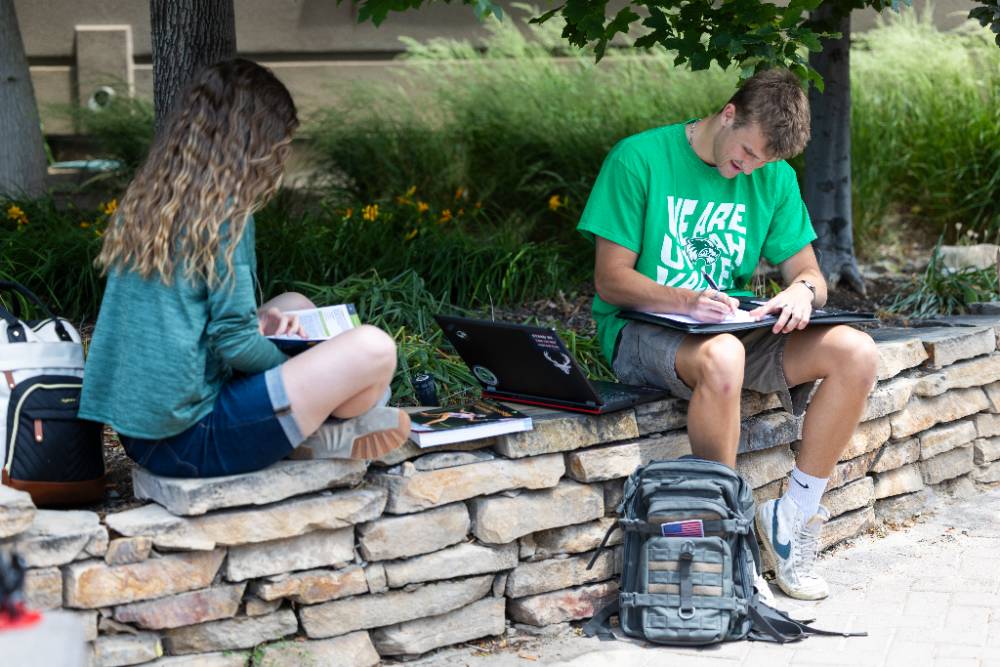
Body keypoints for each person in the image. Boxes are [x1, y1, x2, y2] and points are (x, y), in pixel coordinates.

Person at [577, 68, 878, 601]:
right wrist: (687, 300)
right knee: (723, 358)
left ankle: (793, 517)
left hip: (727, 326)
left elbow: (810, 274)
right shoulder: (639, 159)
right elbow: (611, 280)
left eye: (762, 162)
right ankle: (727, 535)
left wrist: (801, 294)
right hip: (642, 327)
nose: (747, 170)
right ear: (729, 112)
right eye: (745, 154)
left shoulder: (773, 176)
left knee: (856, 353)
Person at [79, 59, 410, 478]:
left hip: (143, 435)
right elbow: (232, 342)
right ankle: (324, 432)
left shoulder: (150, 198)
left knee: (294, 305)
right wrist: (298, 363)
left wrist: (266, 329)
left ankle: (311, 431)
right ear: (258, 142)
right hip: (194, 440)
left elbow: (190, 323)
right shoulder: (224, 214)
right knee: (374, 350)